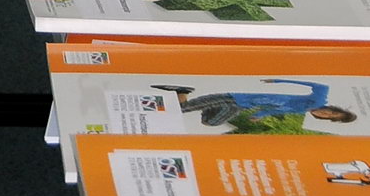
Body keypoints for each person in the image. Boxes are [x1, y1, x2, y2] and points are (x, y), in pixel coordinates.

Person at [151, 80, 357, 129]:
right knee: (183, 109)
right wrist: (278, 80)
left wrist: (259, 115)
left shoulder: (301, 109)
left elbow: (272, 109)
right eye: (330, 112)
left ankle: (190, 97)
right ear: (331, 108)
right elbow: (321, 85)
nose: (324, 113)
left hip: (240, 107)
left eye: (327, 117)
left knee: (210, 122)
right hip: (233, 98)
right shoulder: (318, 100)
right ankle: (182, 92)